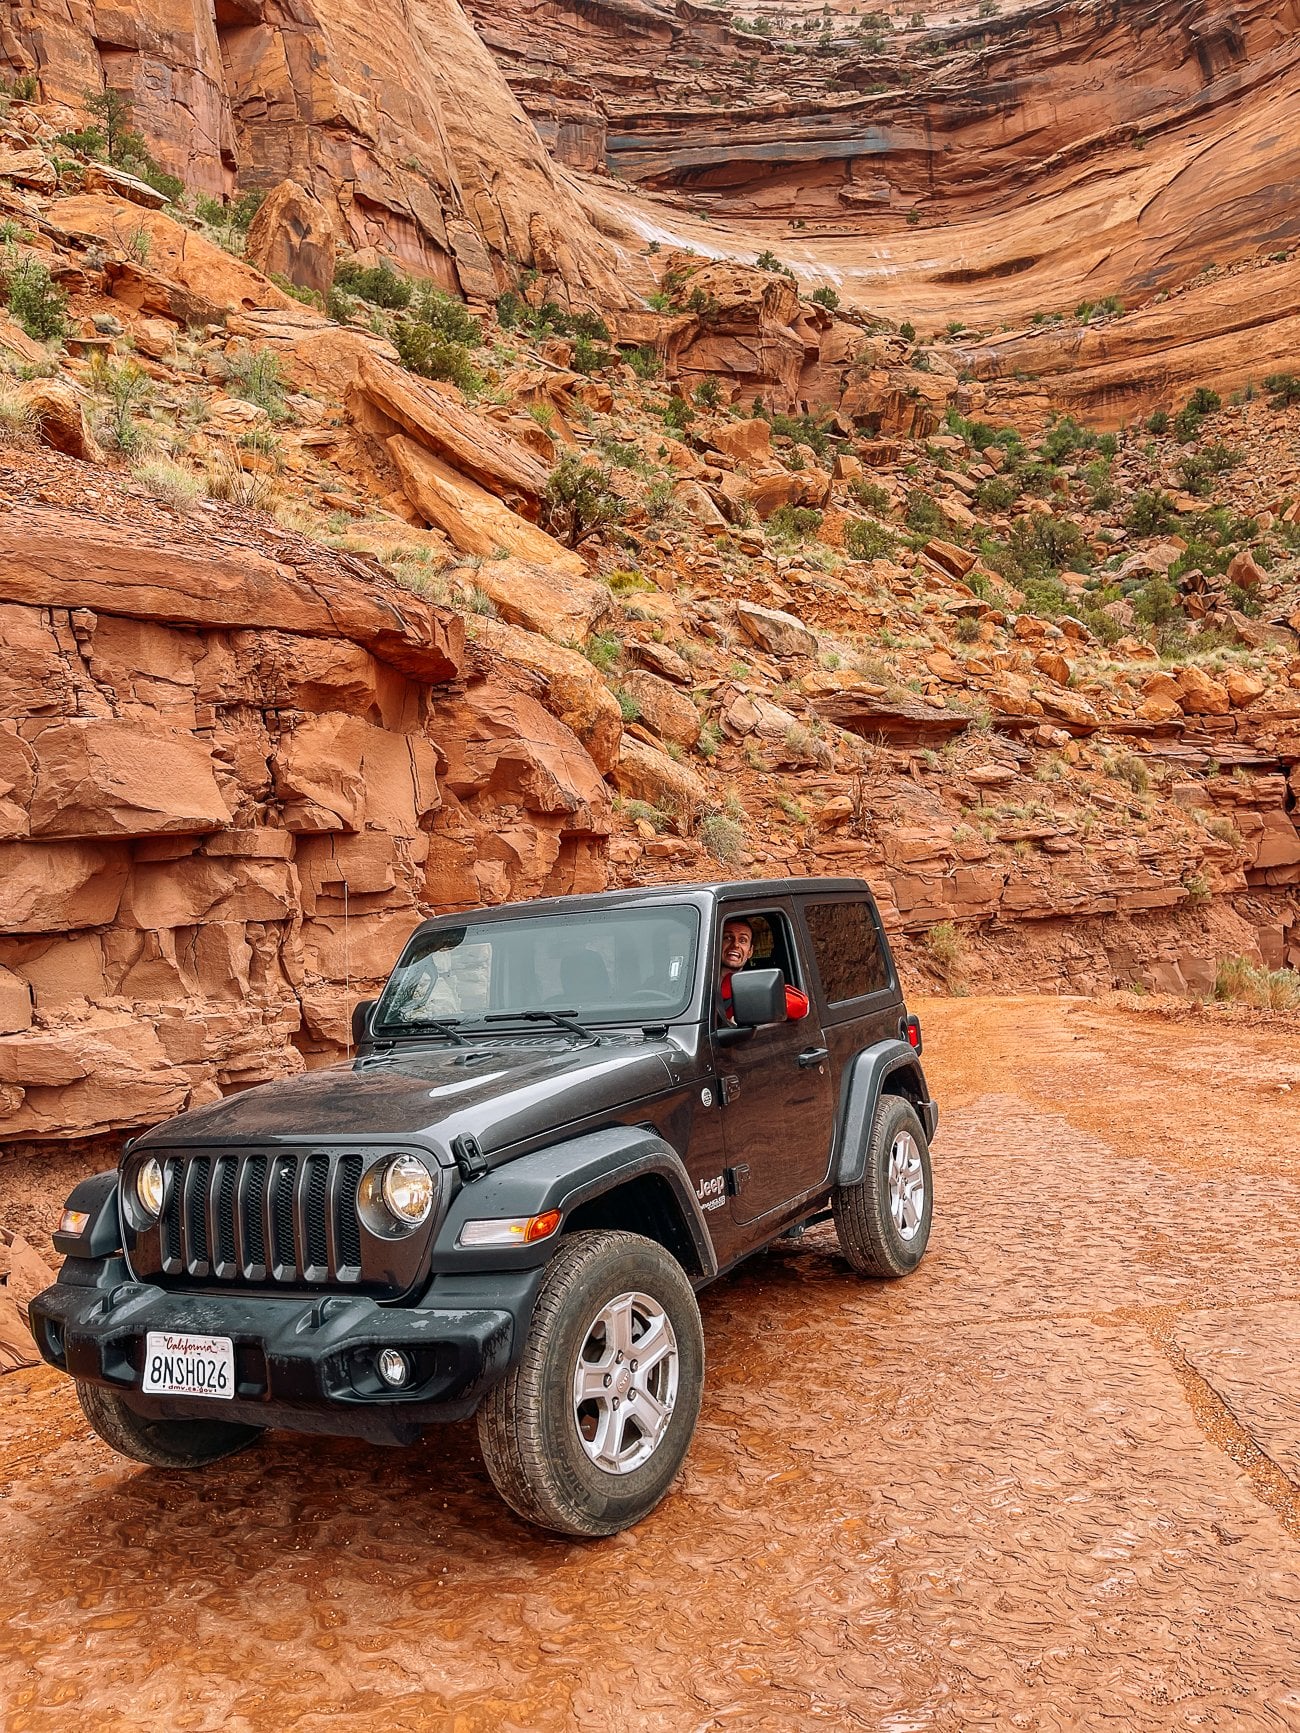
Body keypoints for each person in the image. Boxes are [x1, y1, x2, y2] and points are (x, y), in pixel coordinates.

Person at [718, 916, 810, 1022]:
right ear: (717, 944)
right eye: (728, 937)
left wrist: (756, 997)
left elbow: (801, 1005)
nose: (735, 945)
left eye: (743, 940)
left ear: (750, 951)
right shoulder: (698, 977)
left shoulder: (757, 984)